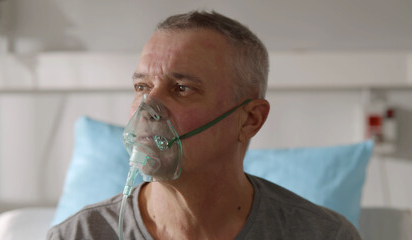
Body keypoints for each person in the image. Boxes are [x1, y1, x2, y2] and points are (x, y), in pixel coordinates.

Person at [47, 10, 361, 240]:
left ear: (250, 119)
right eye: (142, 87)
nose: (147, 109)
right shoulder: (79, 235)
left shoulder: (322, 235)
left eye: (182, 88)